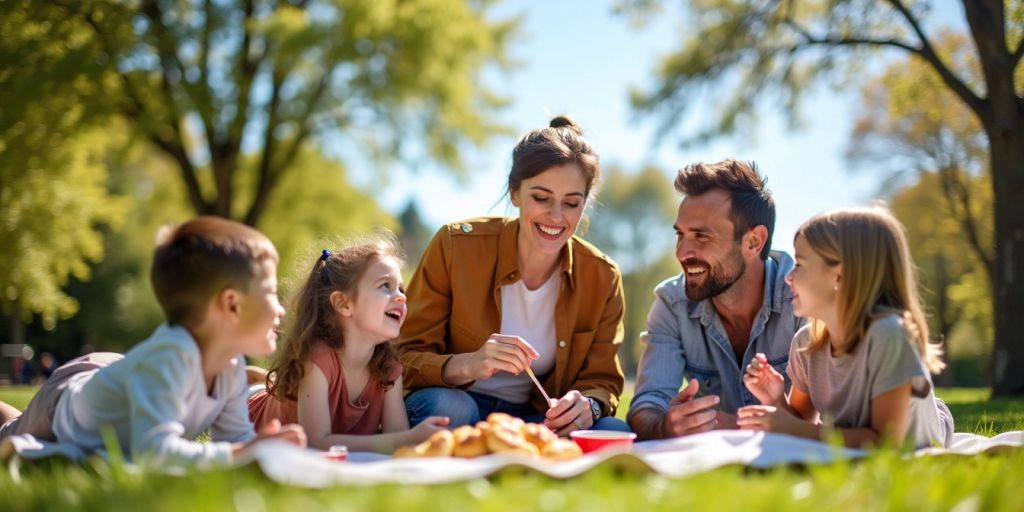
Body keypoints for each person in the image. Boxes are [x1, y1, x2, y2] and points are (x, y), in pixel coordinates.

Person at [0, 217, 307, 467]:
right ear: (231, 304)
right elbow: (156, 453)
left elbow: (234, 441)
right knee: (8, 432)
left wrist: (261, 449)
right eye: (270, 291)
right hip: (61, 405)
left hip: (117, 372)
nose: (280, 308)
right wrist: (244, 452)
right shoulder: (174, 356)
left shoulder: (230, 365)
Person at [397, 116, 629, 435]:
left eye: (571, 203)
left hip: (537, 418)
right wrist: (469, 363)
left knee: (612, 430)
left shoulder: (603, 277)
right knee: (451, 408)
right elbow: (402, 358)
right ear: (515, 193)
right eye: (541, 198)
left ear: (584, 204)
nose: (556, 216)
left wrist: (587, 406)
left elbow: (603, 380)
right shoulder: (455, 245)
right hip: (458, 403)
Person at [738, 207, 954, 448]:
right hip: (852, 430)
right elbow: (800, 424)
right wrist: (775, 398)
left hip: (924, 429)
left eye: (799, 263)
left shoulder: (890, 335)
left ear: (839, 276)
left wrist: (795, 428)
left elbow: (886, 442)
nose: (789, 277)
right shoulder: (807, 344)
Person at [628, 160, 804, 440]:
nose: (682, 252)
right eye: (681, 235)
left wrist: (735, 426)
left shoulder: (803, 300)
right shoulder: (672, 303)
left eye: (701, 236)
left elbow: (829, 424)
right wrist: (665, 426)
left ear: (753, 242)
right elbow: (648, 405)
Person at [248, 235, 449, 452]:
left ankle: (260, 379)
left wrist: (411, 441)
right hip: (250, 411)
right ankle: (252, 383)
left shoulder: (388, 368)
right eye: (385, 286)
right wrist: (406, 439)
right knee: (249, 392)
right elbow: (316, 442)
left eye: (401, 289)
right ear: (343, 304)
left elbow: (395, 437)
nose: (401, 297)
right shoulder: (318, 360)